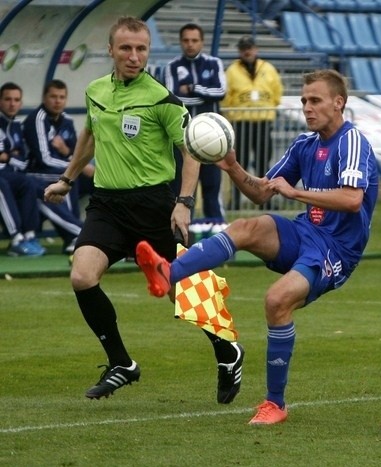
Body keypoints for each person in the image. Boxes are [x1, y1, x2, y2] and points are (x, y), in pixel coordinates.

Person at [136, 69, 379, 425]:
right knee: (248, 226)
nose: (307, 108)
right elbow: (262, 192)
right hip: (306, 233)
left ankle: (275, 404)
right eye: (303, 102)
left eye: (315, 101)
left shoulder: (352, 141)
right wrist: (232, 167)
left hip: (336, 251)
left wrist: (295, 192)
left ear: (338, 102)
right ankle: (167, 273)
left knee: (276, 301)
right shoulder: (304, 144)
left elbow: (352, 199)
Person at [43, 16, 245, 404]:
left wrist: (184, 203)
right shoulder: (96, 91)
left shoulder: (162, 99)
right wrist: (67, 179)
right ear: (111, 50)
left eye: (141, 49)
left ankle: (226, 352)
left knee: (181, 295)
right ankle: (121, 363)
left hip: (154, 206)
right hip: (106, 204)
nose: (134, 57)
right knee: (82, 276)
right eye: (126, 49)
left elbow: (191, 150)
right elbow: (90, 134)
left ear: (149, 52)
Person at [164, 23, 228, 234]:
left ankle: (218, 237)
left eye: (194, 40)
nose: (190, 44)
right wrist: (203, 94)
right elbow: (173, 98)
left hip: (210, 139)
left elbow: (221, 91)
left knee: (211, 189)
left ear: (202, 42)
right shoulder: (171, 66)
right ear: (181, 42)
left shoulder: (214, 63)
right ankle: (177, 237)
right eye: (186, 40)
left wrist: (194, 88)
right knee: (179, 190)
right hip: (182, 139)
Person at [22, 79, 84, 254]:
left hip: (58, 169)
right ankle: (77, 233)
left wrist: (69, 157)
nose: (58, 101)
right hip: (36, 172)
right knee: (66, 177)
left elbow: (75, 151)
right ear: (44, 98)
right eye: (53, 97)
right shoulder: (37, 119)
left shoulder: (67, 120)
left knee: (76, 177)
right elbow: (44, 158)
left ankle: (74, 236)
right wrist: (73, 165)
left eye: (62, 97)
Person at [221, 35, 283, 209]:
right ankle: (235, 201)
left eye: (250, 47)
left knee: (264, 162)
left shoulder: (268, 68)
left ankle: (266, 201)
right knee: (238, 163)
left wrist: (268, 108)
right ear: (240, 51)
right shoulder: (232, 71)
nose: (247, 51)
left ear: (256, 49)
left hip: (263, 122)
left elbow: (277, 93)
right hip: (241, 123)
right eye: (244, 48)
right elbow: (226, 97)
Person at [0, 82, 46, 256]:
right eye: (8, 99)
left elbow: (23, 161)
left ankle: (29, 235)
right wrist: (11, 155)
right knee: (1, 184)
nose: (12, 104)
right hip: (3, 177)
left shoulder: (17, 126)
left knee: (29, 183)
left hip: (11, 174)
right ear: (0, 101)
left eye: (16, 100)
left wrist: (8, 155)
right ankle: (16, 239)